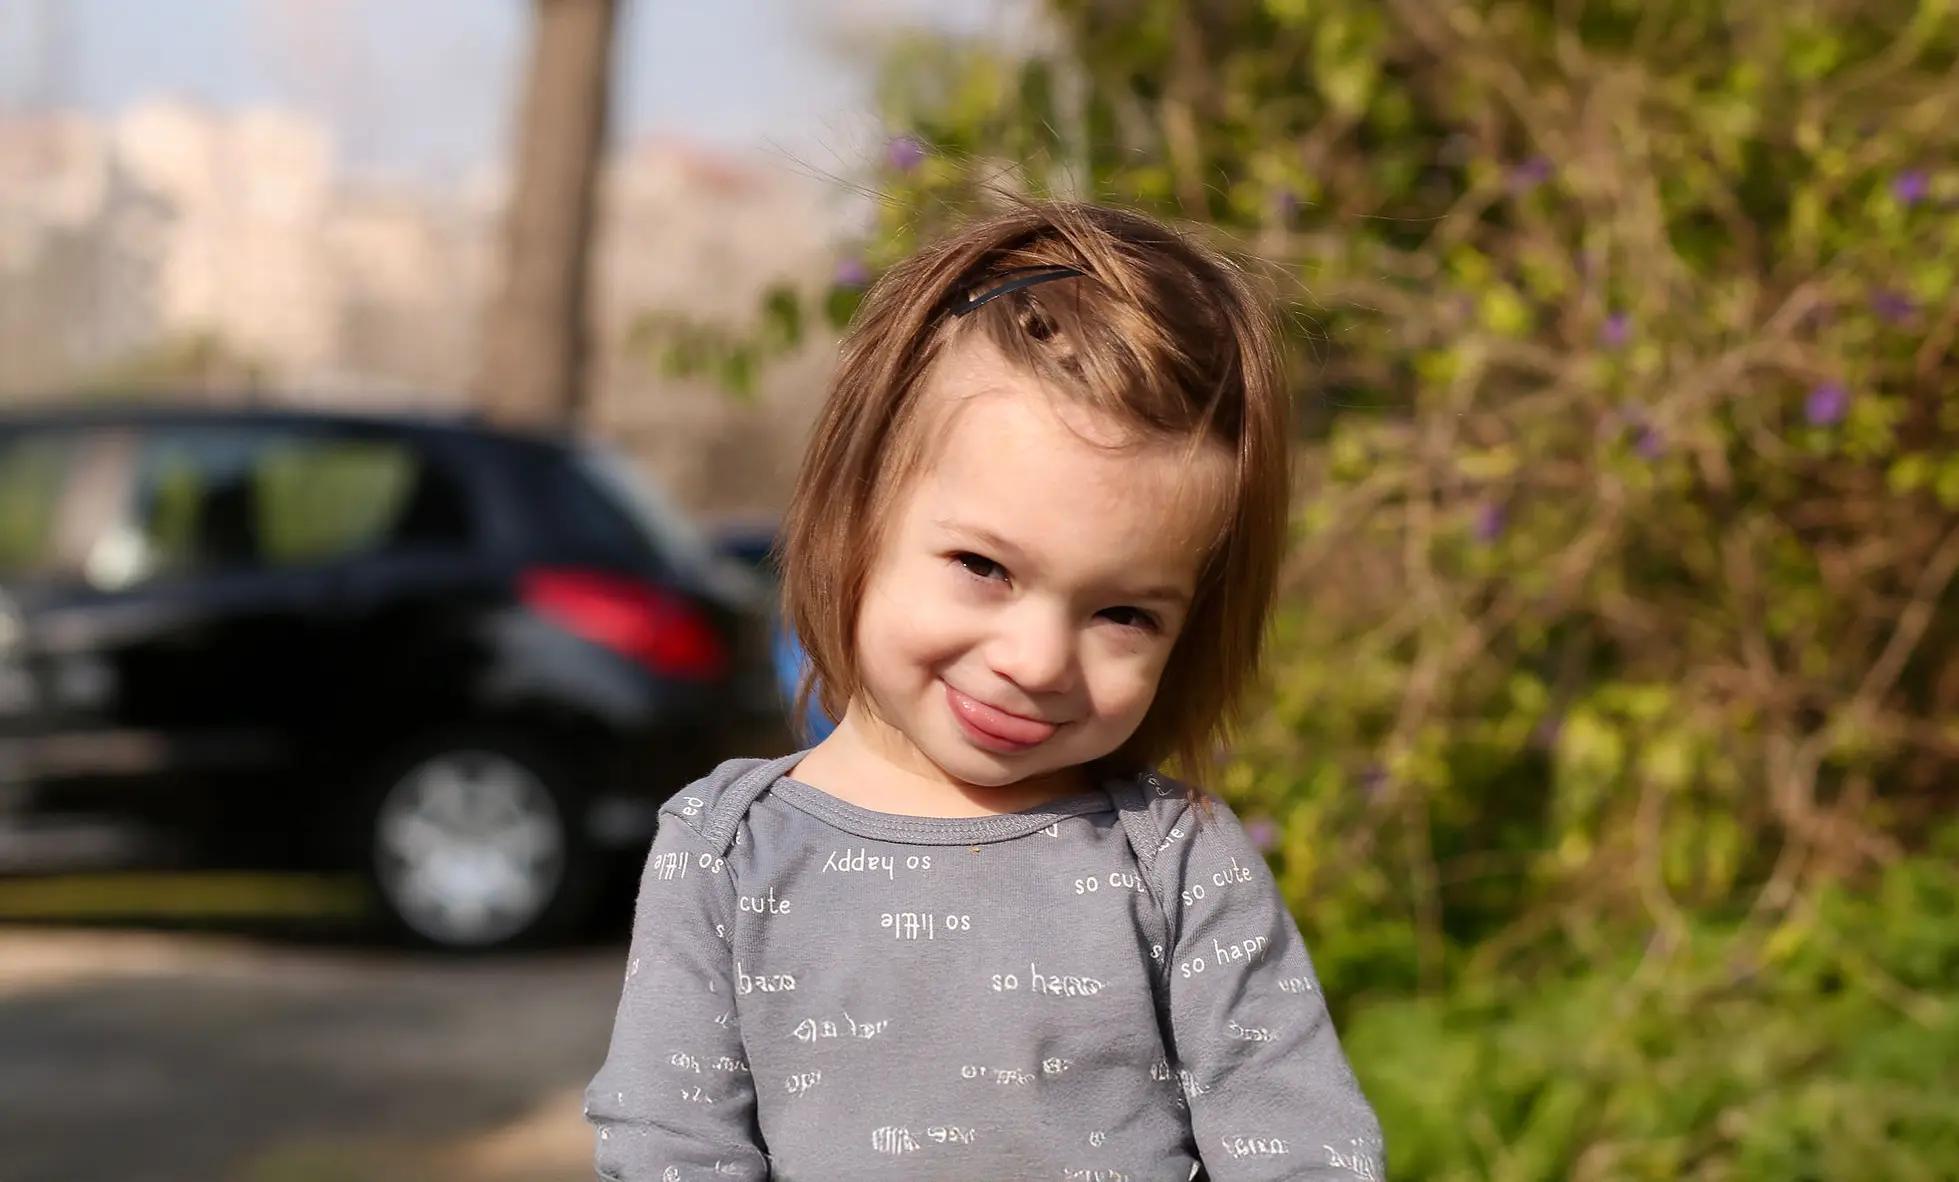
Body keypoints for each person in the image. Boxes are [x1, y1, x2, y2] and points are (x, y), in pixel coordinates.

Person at [586, 202, 1384, 1180]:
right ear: (855, 512)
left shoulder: (1175, 864)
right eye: (984, 567)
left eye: (1123, 614)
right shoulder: (726, 853)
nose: (1037, 660)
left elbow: (1301, 1148)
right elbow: (670, 1148)